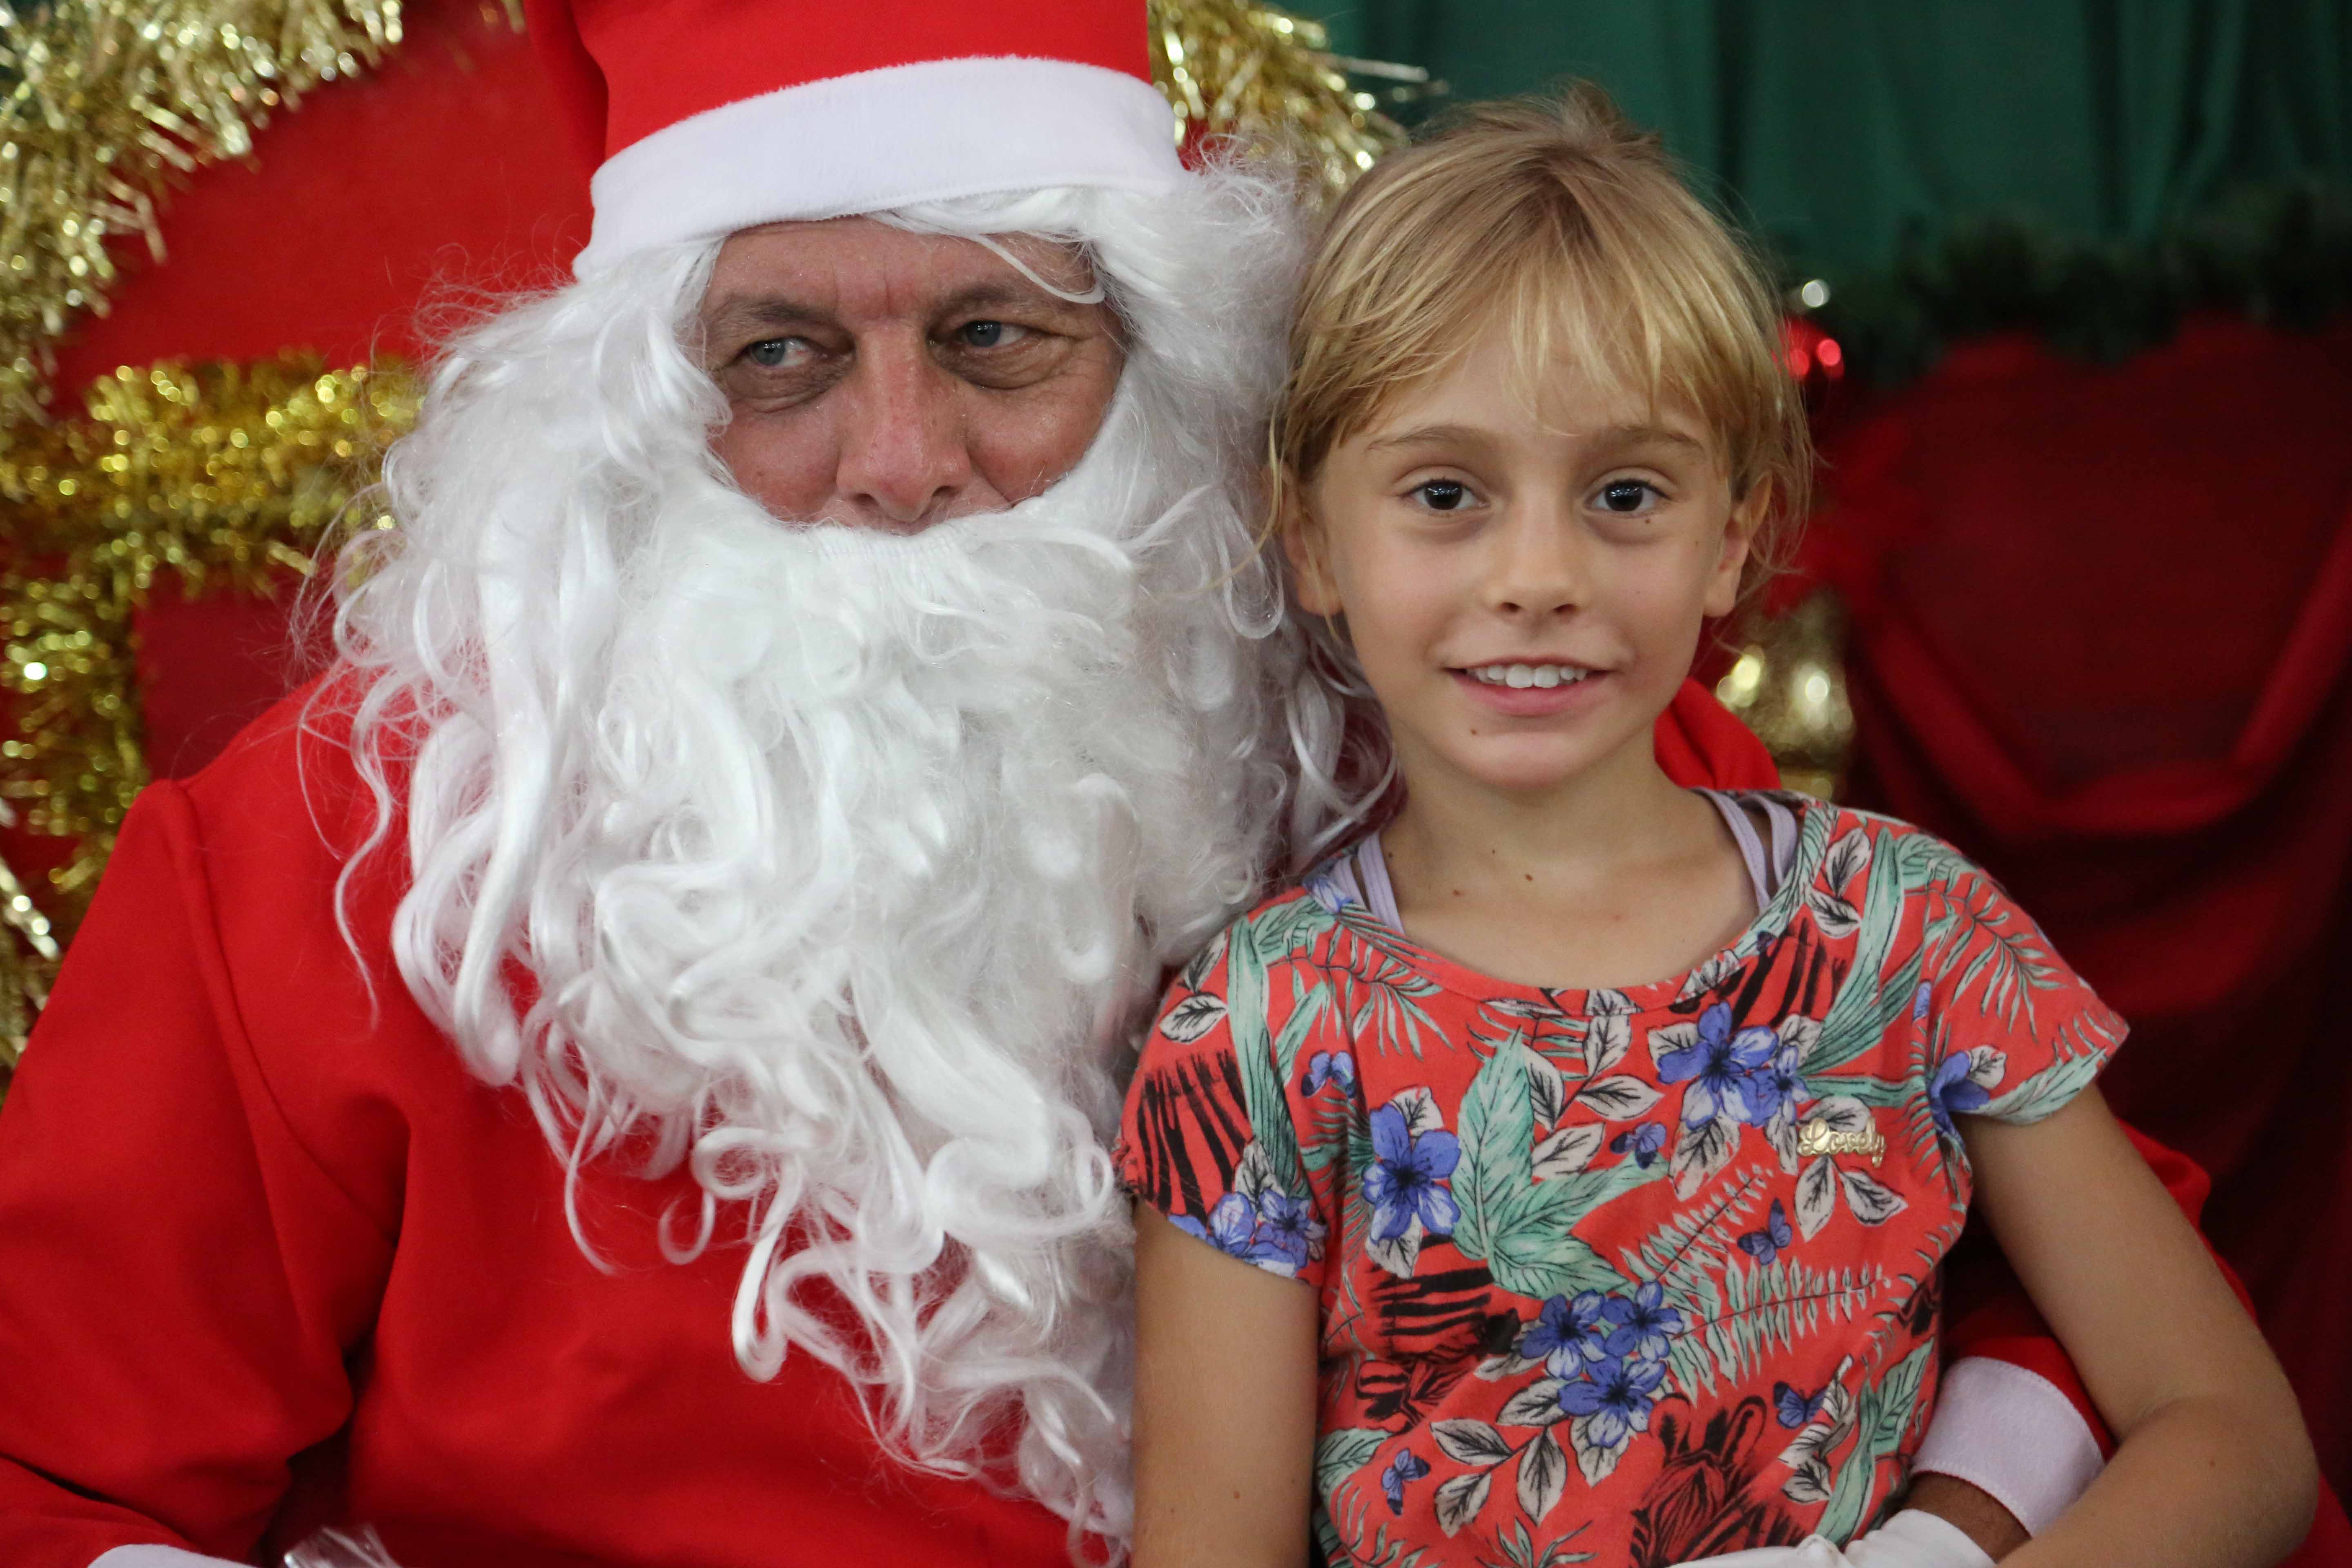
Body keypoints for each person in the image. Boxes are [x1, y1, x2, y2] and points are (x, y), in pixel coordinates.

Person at [0, 4, 2304, 1567]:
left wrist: (1943, 1534)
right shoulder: (342, 849)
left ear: (1182, 371)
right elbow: (50, 1470)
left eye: (1000, 338)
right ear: (631, 398)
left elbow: (2013, 1270)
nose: (900, 470)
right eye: (780, 358)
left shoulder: (1456, 720)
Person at [1118, 91, 2320, 1568]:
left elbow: (2233, 1434)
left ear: (1734, 535)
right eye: (1446, 494)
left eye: (1626, 493)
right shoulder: (1256, 1031)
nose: (1539, 575)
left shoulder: (1911, 930)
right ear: (1310, 539)